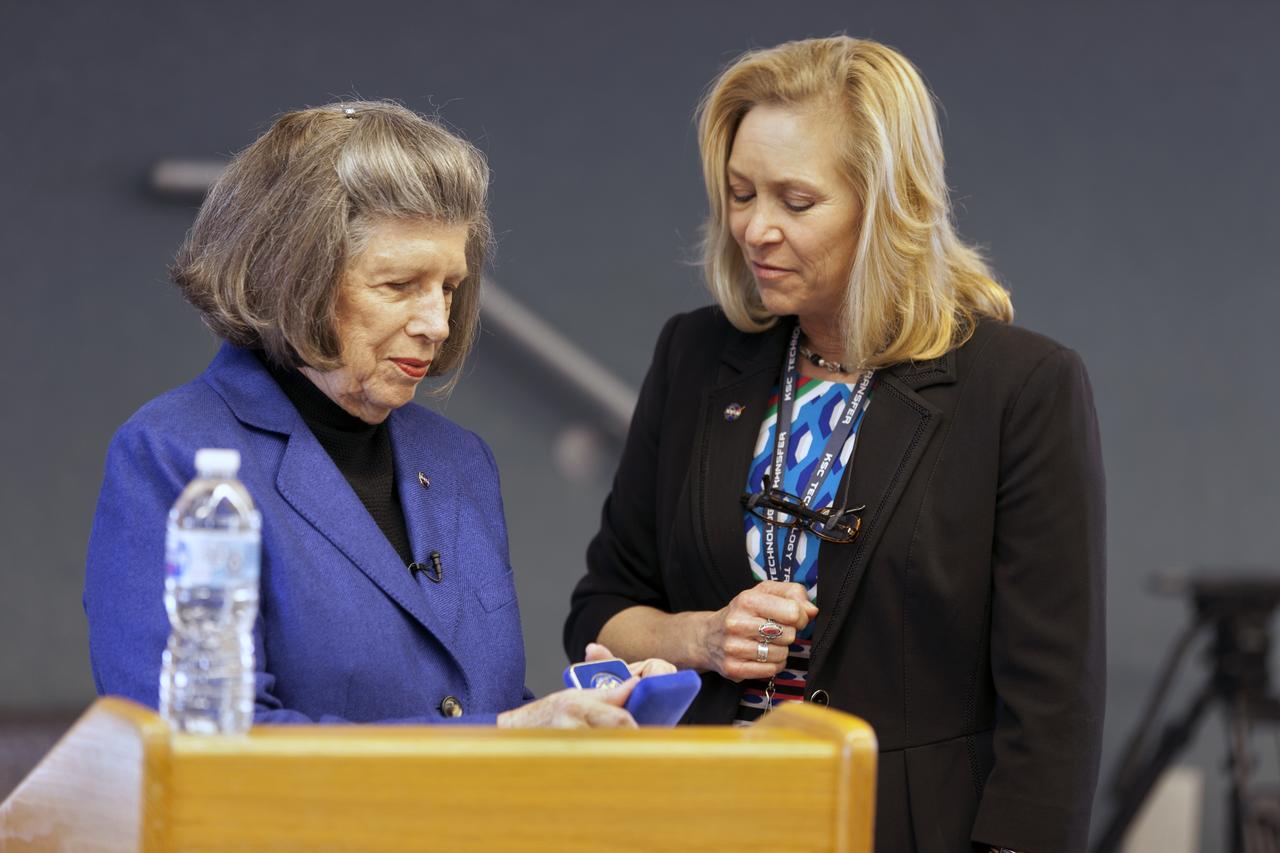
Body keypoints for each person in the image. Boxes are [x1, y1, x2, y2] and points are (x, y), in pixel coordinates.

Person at [564, 37, 1104, 851]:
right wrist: (702, 638)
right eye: (741, 193)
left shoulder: (1022, 387)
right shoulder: (693, 355)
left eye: (797, 200)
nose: (755, 229)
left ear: (889, 203)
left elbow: (1053, 704)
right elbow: (601, 612)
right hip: (700, 817)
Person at [85, 100, 663, 729]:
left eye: (448, 287)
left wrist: (587, 713)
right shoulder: (171, 454)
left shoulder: (459, 460)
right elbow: (205, 741)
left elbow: (472, 710)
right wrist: (505, 735)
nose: (437, 323)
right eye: (398, 286)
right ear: (292, 276)